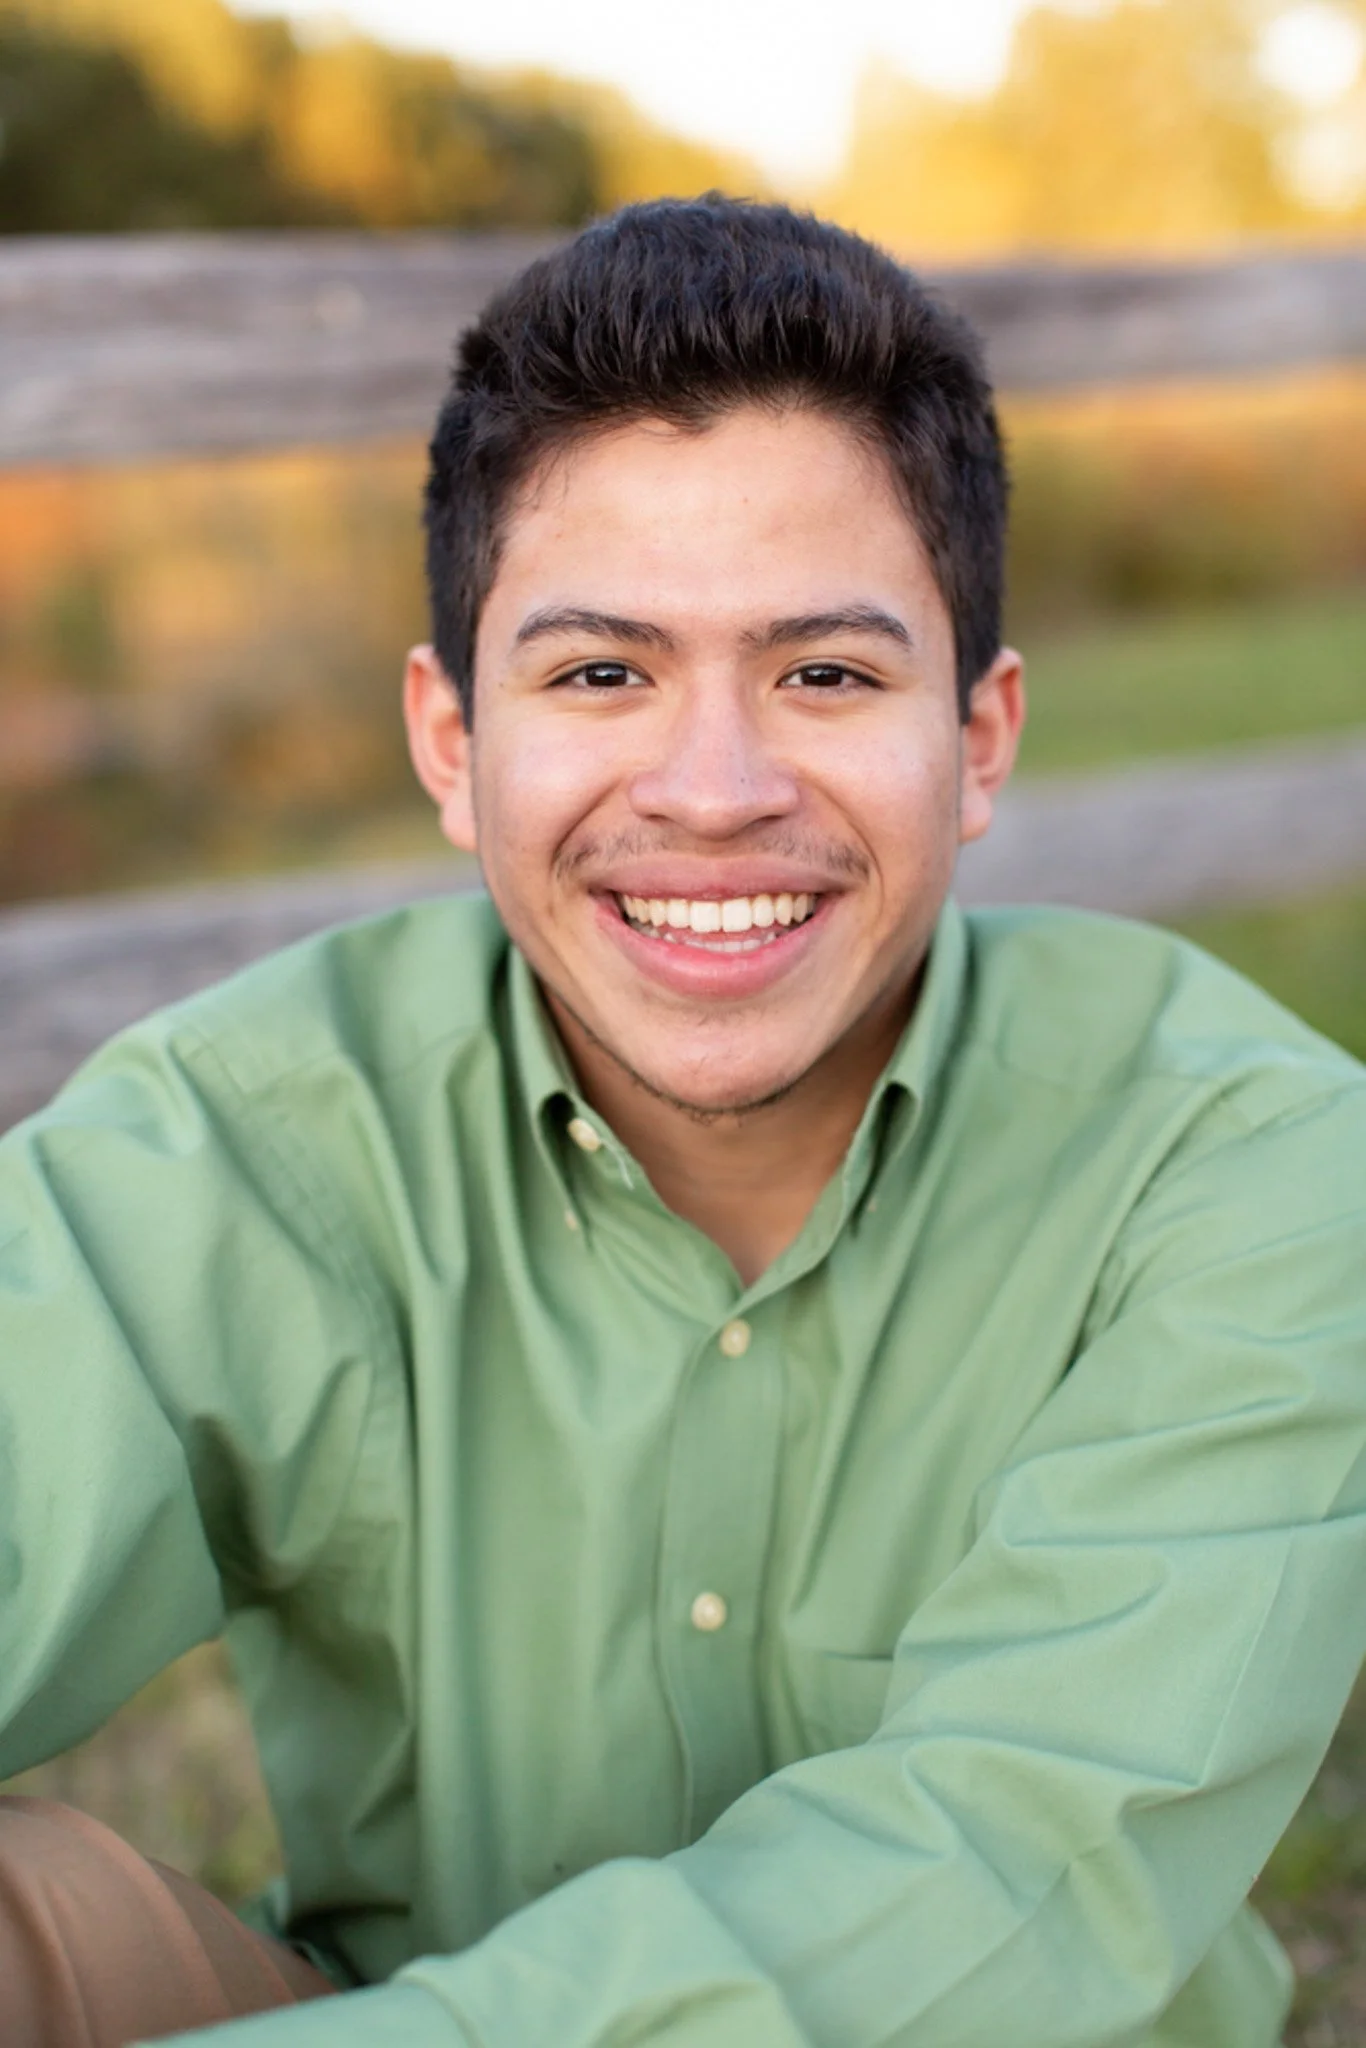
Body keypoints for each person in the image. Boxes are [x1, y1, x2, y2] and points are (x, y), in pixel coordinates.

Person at [1, 195, 1364, 2048]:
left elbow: (1001, 1875)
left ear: (975, 736)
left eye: (822, 673)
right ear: (449, 739)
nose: (712, 793)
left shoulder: (1255, 1175)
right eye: (598, 675)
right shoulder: (243, 1142)